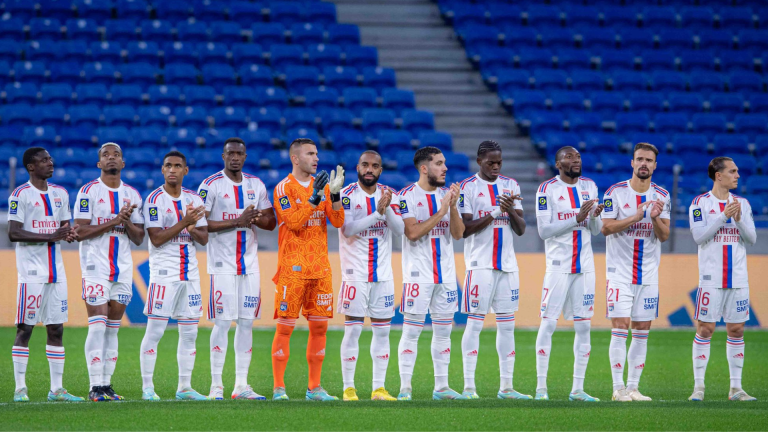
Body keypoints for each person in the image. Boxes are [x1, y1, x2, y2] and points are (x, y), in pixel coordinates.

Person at [198, 137, 276, 401]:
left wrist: (256, 218)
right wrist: (237, 221)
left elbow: (271, 222)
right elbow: (200, 225)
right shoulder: (210, 186)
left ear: (245, 157)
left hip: (250, 266)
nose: (234, 157)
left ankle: (241, 385)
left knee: (246, 323)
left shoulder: (256, 185)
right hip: (221, 265)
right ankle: (216, 386)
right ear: (223, 156)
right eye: (230, 153)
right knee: (221, 323)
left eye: (239, 154)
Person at [271, 138, 345, 401]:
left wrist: (334, 194)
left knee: (320, 329)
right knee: (285, 328)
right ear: (295, 158)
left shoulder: (323, 187)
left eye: (316, 153)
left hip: (321, 268)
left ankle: (314, 388)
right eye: (310, 154)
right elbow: (293, 222)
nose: (316, 158)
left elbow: (337, 221)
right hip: (293, 268)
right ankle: (279, 388)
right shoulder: (284, 188)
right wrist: (315, 197)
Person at [8, 147, 83, 402]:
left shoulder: (61, 193)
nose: (50, 163)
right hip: (31, 272)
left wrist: (68, 234)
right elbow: (13, 233)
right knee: (25, 328)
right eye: (44, 160)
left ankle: (57, 390)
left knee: (56, 329)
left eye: (50, 159)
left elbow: (63, 228)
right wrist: (49, 236)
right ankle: (20, 388)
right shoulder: (20, 195)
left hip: (57, 272)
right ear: (31, 167)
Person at [458, 141, 529, 400]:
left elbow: (521, 229)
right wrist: (495, 211)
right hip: (480, 265)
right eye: (491, 162)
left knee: (507, 327)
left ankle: (507, 388)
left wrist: (509, 208)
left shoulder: (511, 185)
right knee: (475, 324)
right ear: (479, 161)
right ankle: (468, 387)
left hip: (507, 266)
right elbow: (465, 230)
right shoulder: (467, 188)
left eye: (499, 162)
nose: (496, 167)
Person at [75, 143, 144, 401]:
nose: (111, 158)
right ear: (99, 164)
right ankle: (94, 386)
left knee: (113, 328)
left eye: (116, 155)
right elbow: (79, 231)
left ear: (123, 163)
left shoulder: (133, 195)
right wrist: (114, 221)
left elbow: (139, 238)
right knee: (97, 325)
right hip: (95, 266)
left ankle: (106, 385)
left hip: (123, 269)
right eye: (106, 155)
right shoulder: (88, 192)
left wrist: (125, 221)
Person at [601, 143, 670, 402]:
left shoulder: (663, 195)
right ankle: (618, 389)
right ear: (632, 163)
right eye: (639, 159)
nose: (644, 164)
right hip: (619, 273)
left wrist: (654, 218)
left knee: (642, 329)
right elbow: (606, 228)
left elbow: (664, 235)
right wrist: (638, 214)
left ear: (654, 165)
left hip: (649, 275)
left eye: (648, 160)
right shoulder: (615, 193)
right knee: (620, 326)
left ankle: (633, 388)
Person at [534, 146, 603, 402]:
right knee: (549, 323)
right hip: (558, 266)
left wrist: (594, 217)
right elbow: (544, 231)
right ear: (558, 163)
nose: (576, 160)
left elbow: (595, 230)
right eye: (569, 157)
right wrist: (577, 217)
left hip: (584, 267)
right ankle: (541, 388)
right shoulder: (547, 190)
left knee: (584, 327)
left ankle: (578, 389)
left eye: (578, 157)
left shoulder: (590, 187)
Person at [139, 151, 209, 401]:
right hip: (163, 275)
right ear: (162, 170)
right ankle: (148, 387)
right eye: (168, 165)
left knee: (190, 333)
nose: (172, 170)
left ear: (185, 171)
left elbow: (204, 238)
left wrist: (192, 226)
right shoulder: (154, 199)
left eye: (178, 166)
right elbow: (156, 239)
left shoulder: (192, 198)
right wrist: (184, 221)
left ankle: (185, 388)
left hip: (190, 274)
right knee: (155, 331)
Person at [397, 146, 465, 401]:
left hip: (446, 275)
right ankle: (405, 388)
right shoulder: (406, 196)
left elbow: (458, 234)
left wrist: (454, 207)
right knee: (412, 331)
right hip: (418, 275)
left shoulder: (447, 196)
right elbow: (412, 232)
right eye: (439, 163)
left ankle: (442, 387)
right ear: (424, 168)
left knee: (444, 332)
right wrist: (441, 211)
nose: (445, 167)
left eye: (445, 162)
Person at [688, 157, 757, 402]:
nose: (737, 175)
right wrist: (722, 217)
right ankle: (698, 388)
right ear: (718, 175)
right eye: (733, 171)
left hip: (738, 278)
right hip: (711, 278)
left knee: (737, 330)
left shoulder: (743, 204)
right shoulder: (700, 203)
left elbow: (751, 239)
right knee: (705, 329)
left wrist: (737, 219)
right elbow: (698, 237)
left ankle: (736, 389)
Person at [337, 150, 403, 402]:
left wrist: (386, 210)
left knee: (382, 332)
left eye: (375, 166)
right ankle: (348, 388)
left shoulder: (390, 195)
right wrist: (377, 213)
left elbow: (398, 231)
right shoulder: (346, 195)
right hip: (355, 274)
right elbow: (348, 229)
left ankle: (378, 388)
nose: (369, 169)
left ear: (380, 170)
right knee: (353, 331)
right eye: (365, 165)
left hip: (383, 275)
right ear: (357, 167)